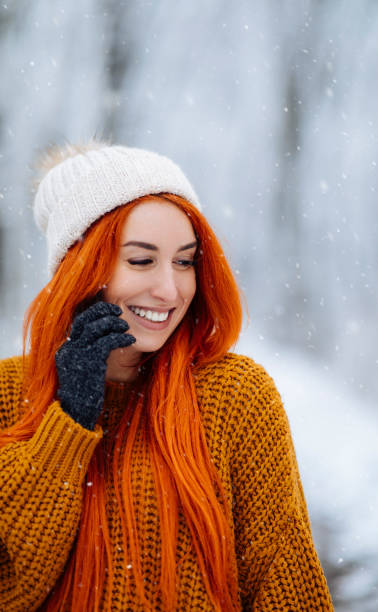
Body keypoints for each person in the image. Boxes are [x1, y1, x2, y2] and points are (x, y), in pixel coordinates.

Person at [0, 142, 334, 611]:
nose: (169, 289)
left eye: (184, 261)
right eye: (141, 260)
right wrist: (68, 422)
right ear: (80, 269)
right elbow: (13, 585)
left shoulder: (237, 397)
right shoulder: (8, 393)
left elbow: (285, 585)